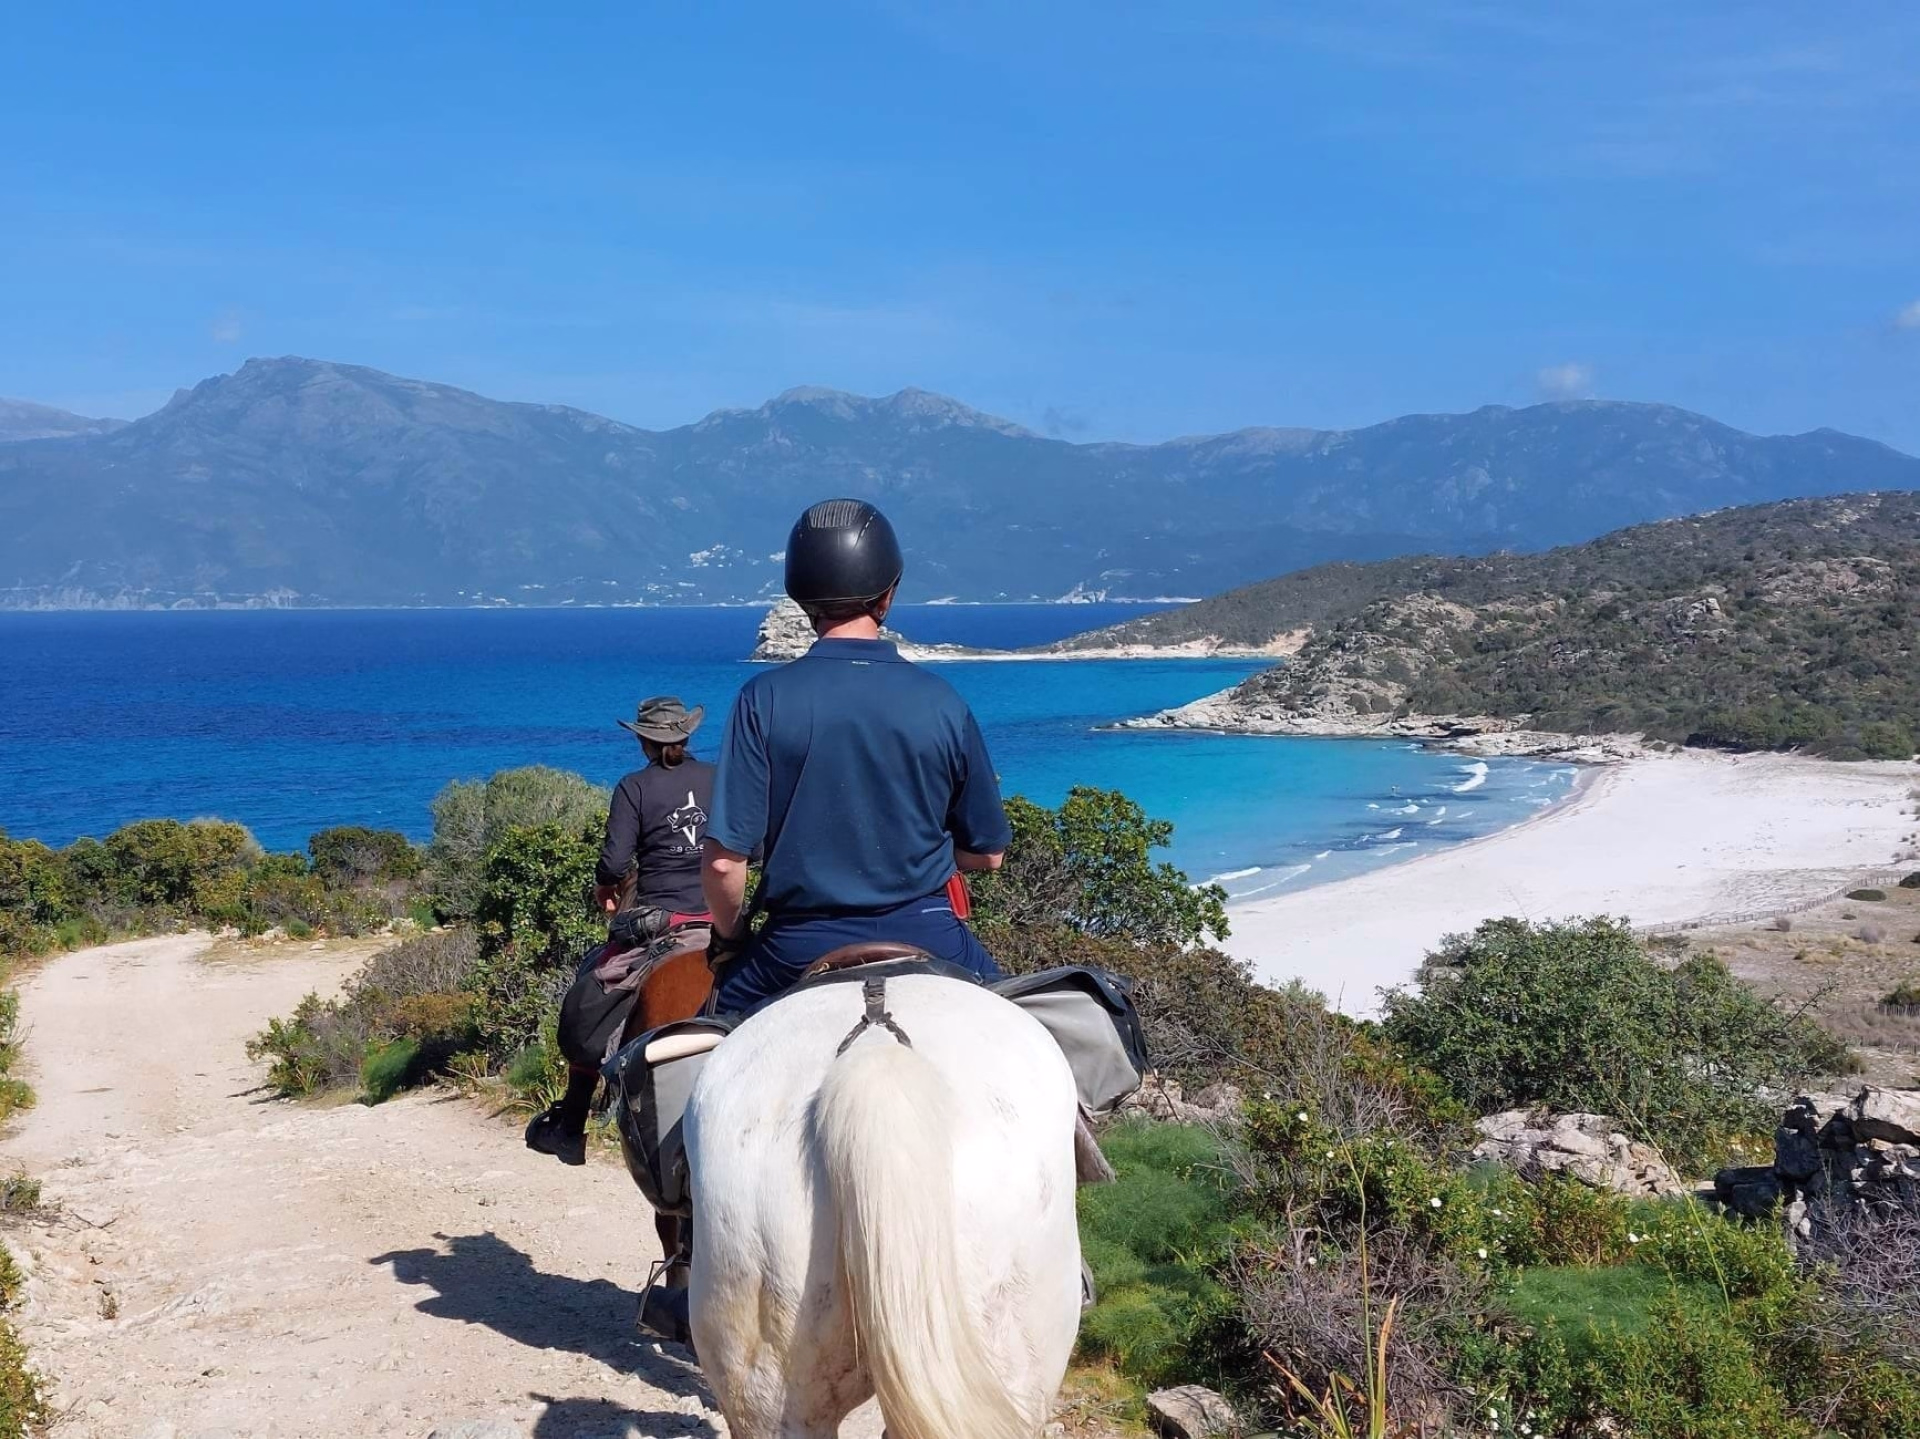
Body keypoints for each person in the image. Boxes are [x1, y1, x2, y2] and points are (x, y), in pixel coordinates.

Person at [701, 497, 1011, 1013]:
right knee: (1028, 1036)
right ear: (887, 595)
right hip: (930, 930)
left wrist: (731, 939)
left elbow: (724, 865)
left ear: (802, 598)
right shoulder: (941, 700)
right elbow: (989, 854)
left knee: (695, 1062)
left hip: (795, 944)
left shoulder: (763, 699)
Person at [524, 695, 713, 1166]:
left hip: (661, 922)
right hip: (719, 920)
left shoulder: (635, 787)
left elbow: (613, 862)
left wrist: (606, 888)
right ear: (686, 736)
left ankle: (571, 1124)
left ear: (644, 741)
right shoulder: (719, 779)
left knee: (595, 988)